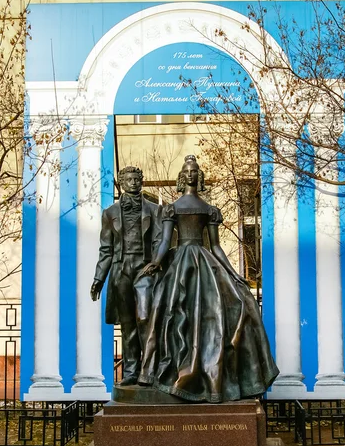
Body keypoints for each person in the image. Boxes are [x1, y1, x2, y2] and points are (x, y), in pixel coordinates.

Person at [136, 155, 279, 402]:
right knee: (170, 312)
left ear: (199, 176)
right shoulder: (172, 208)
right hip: (180, 262)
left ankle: (214, 379)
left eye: (194, 171)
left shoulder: (209, 210)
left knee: (231, 307)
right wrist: (156, 263)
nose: (191, 175)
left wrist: (234, 273)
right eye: (187, 171)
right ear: (181, 177)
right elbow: (164, 242)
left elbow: (216, 246)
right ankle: (166, 372)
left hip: (204, 262)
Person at [90, 166, 162, 385]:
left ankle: (150, 369)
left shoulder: (154, 210)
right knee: (128, 323)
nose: (133, 182)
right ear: (122, 182)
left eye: (136, 179)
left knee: (145, 318)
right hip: (121, 269)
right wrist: (99, 278)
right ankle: (131, 371)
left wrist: (155, 263)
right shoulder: (110, 213)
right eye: (128, 179)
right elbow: (106, 249)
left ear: (141, 181)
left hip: (144, 268)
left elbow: (160, 240)